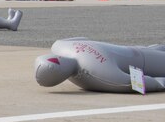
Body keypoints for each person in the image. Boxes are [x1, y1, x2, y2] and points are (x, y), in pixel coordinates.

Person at [35, 38, 165, 93]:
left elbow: (128, 83)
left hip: (140, 55)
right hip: (143, 57)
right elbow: (128, 82)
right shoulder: (60, 46)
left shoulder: (93, 74)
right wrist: (158, 82)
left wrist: (157, 83)